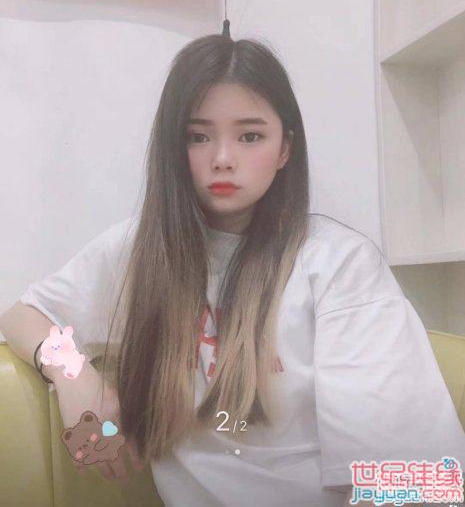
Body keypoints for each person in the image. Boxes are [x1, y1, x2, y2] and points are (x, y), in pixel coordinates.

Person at [1, 33, 464, 507]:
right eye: (198, 137)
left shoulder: (337, 263)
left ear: (284, 149)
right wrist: (72, 371)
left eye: (250, 136)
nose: (222, 159)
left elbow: (410, 478)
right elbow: (23, 314)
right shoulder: (141, 251)